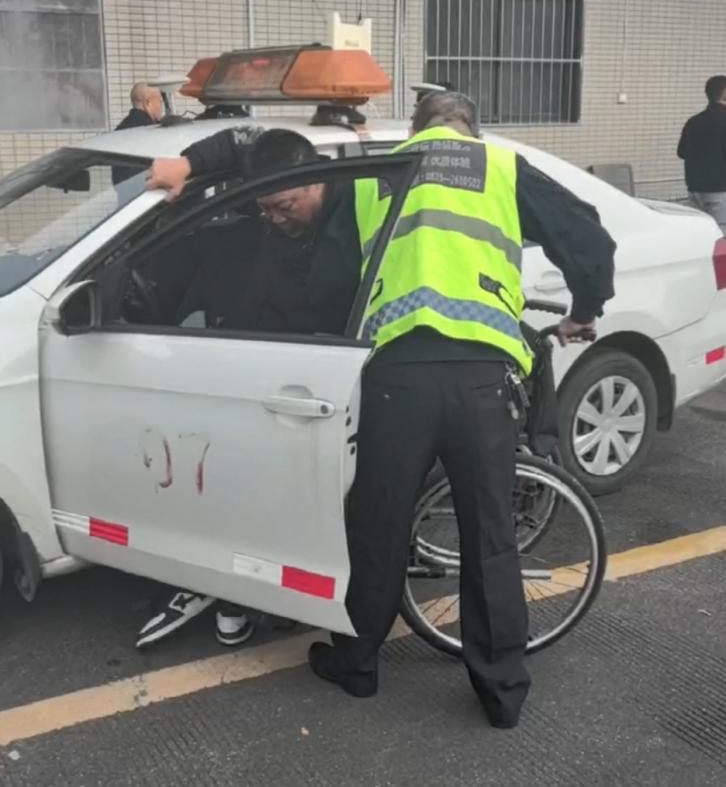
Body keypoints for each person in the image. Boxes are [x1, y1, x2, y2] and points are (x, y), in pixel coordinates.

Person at [145, 98, 615, 729]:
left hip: (398, 377)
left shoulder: (374, 173)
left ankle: (358, 665)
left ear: (414, 131)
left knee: (378, 526)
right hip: (481, 380)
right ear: (471, 132)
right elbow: (588, 238)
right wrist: (585, 310)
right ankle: (502, 692)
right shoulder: (502, 167)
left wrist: (189, 160)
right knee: (490, 536)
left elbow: (269, 151)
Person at [137, 129, 359, 648]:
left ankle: (272, 597)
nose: (274, 219)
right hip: (271, 365)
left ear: (314, 181)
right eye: (264, 209)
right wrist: (187, 165)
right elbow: (243, 140)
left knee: (316, 499)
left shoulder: (360, 202)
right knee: (249, 486)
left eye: (284, 207)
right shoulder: (276, 173)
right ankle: (235, 594)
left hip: (333, 371)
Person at [677, 75, 726, 234]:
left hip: (695, 190)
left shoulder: (693, 122)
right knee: (721, 237)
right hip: (720, 192)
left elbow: (681, 152)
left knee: (702, 236)